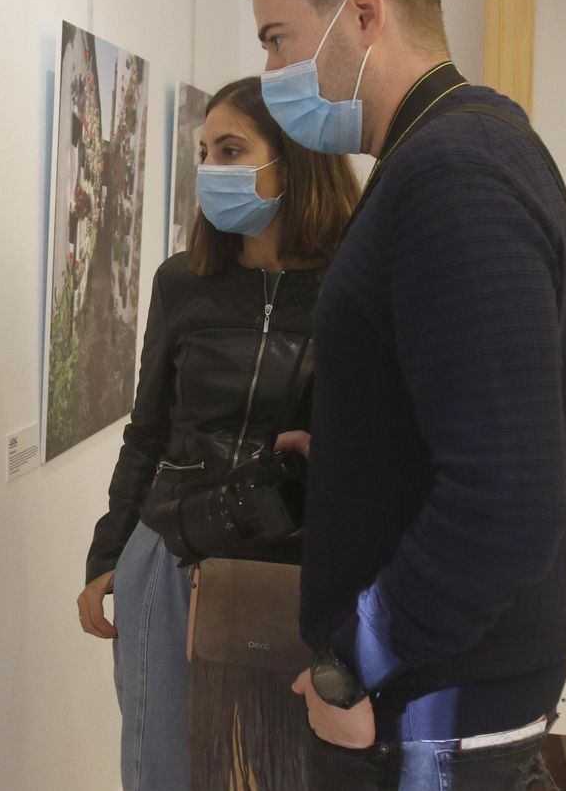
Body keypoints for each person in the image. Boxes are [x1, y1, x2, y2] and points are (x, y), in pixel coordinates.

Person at [225, 0, 566, 789]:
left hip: (433, 707)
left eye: (278, 39)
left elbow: (507, 500)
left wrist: (352, 661)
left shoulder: (454, 174)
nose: (270, 68)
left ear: (363, 10)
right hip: (436, 690)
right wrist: (360, 455)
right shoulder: (454, 152)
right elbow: (478, 411)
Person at [77, 77, 363, 791]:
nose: (212, 169)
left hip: (290, 573)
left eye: (232, 150)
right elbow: (147, 430)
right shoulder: (183, 282)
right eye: (205, 152)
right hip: (167, 560)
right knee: (160, 769)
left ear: (294, 160)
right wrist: (108, 553)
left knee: (281, 770)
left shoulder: (354, 288)